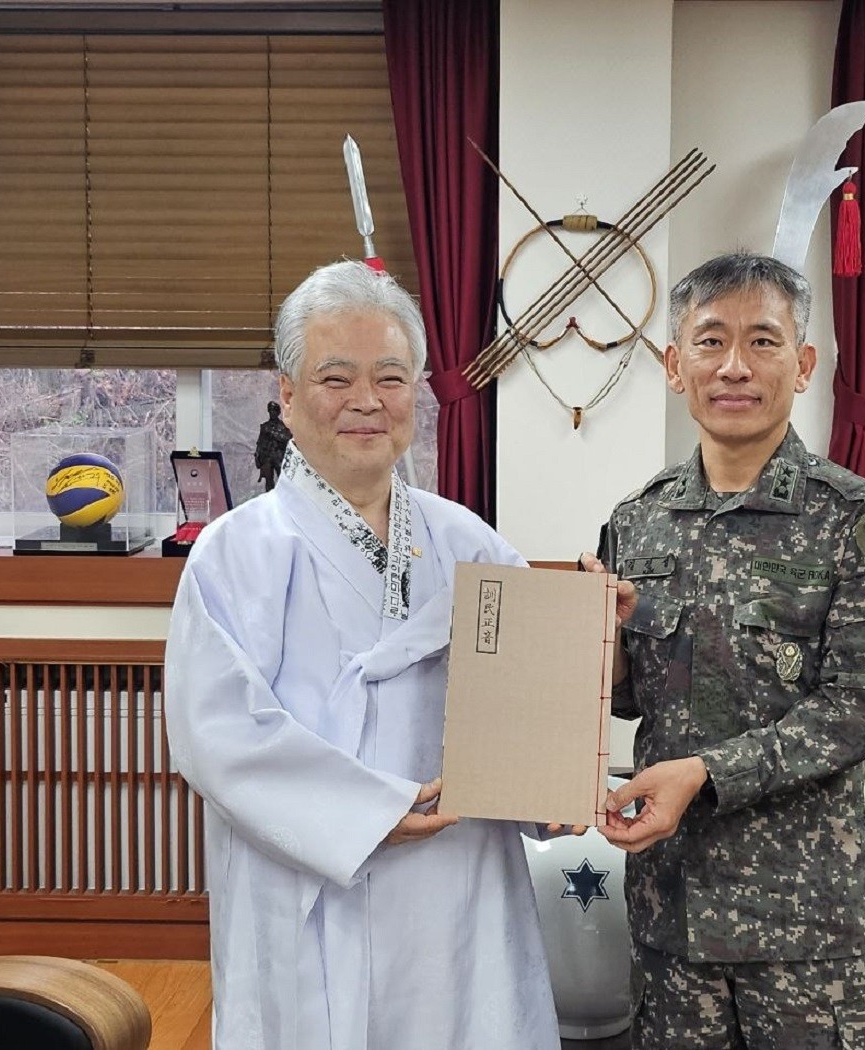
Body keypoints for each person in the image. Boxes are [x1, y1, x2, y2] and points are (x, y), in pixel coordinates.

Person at [164, 260, 562, 1050]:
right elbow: (218, 737)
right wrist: (369, 811)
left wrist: (552, 771)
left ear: (416, 390)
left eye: (390, 377)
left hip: (455, 866)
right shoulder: (235, 552)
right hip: (311, 867)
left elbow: (531, 691)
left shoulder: (468, 541)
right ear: (287, 394)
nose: (366, 401)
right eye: (335, 378)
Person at [581, 253, 865, 1049]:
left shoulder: (860, 519)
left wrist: (704, 773)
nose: (734, 366)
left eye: (762, 341)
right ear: (675, 366)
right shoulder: (637, 521)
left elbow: (859, 707)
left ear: (802, 365)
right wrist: (600, 647)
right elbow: (626, 698)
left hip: (803, 919)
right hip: (670, 913)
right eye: (710, 341)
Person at [253, 399, 292, 492]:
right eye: (270, 411)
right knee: (269, 481)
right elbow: (260, 442)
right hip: (267, 457)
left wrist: (274, 434)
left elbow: (287, 438)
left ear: (278, 412)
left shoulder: (283, 426)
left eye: (274, 411)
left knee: (283, 479)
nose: (272, 413)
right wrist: (257, 456)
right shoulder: (265, 426)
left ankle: (285, 495)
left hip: (279, 456)